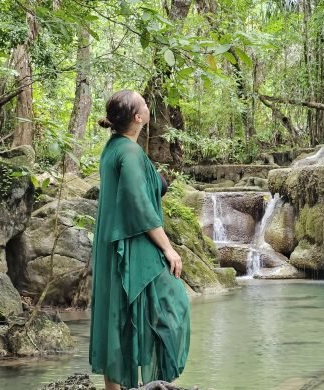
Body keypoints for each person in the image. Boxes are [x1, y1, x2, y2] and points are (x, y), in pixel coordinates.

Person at [89, 90, 190, 390]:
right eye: (144, 104)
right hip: (131, 242)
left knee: (117, 313)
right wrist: (169, 249)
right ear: (138, 117)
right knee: (174, 303)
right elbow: (138, 204)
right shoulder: (129, 152)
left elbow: (141, 190)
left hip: (114, 241)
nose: (148, 105)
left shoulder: (115, 148)